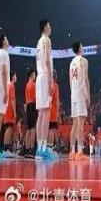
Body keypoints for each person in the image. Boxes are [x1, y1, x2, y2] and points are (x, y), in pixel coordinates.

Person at [35, 19, 55, 160]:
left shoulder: (39, 41)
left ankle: (39, 149)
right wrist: (51, 80)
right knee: (46, 112)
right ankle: (43, 149)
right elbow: (47, 61)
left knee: (41, 113)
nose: (50, 27)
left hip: (39, 76)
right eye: (49, 25)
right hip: (45, 76)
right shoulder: (47, 40)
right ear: (45, 28)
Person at [69, 42, 90, 161]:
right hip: (81, 93)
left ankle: (72, 151)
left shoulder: (72, 62)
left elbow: (70, 80)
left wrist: (73, 92)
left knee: (75, 124)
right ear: (80, 48)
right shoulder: (83, 61)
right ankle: (80, 151)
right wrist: (88, 96)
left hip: (74, 94)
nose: (83, 47)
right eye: (82, 46)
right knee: (80, 124)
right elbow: (86, 79)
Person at [3, 71, 17, 158]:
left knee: (8, 128)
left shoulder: (7, 85)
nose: (16, 77)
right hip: (9, 109)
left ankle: (6, 148)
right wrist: (14, 111)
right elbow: (12, 99)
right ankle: (6, 150)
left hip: (6, 108)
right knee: (9, 128)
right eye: (15, 76)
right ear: (12, 77)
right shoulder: (11, 86)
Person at [24, 69, 37, 158]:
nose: (35, 76)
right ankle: (32, 149)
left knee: (28, 129)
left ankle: (27, 149)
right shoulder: (33, 84)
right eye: (34, 74)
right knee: (33, 128)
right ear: (32, 75)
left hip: (28, 105)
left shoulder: (27, 85)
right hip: (33, 105)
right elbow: (35, 97)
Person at [48, 70, 60, 155]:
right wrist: (58, 112)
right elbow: (57, 99)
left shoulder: (48, 85)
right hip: (53, 110)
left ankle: (46, 148)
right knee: (52, 130)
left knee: (48, 130)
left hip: (48, 109)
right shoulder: (55, 85)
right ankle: (50, 149)